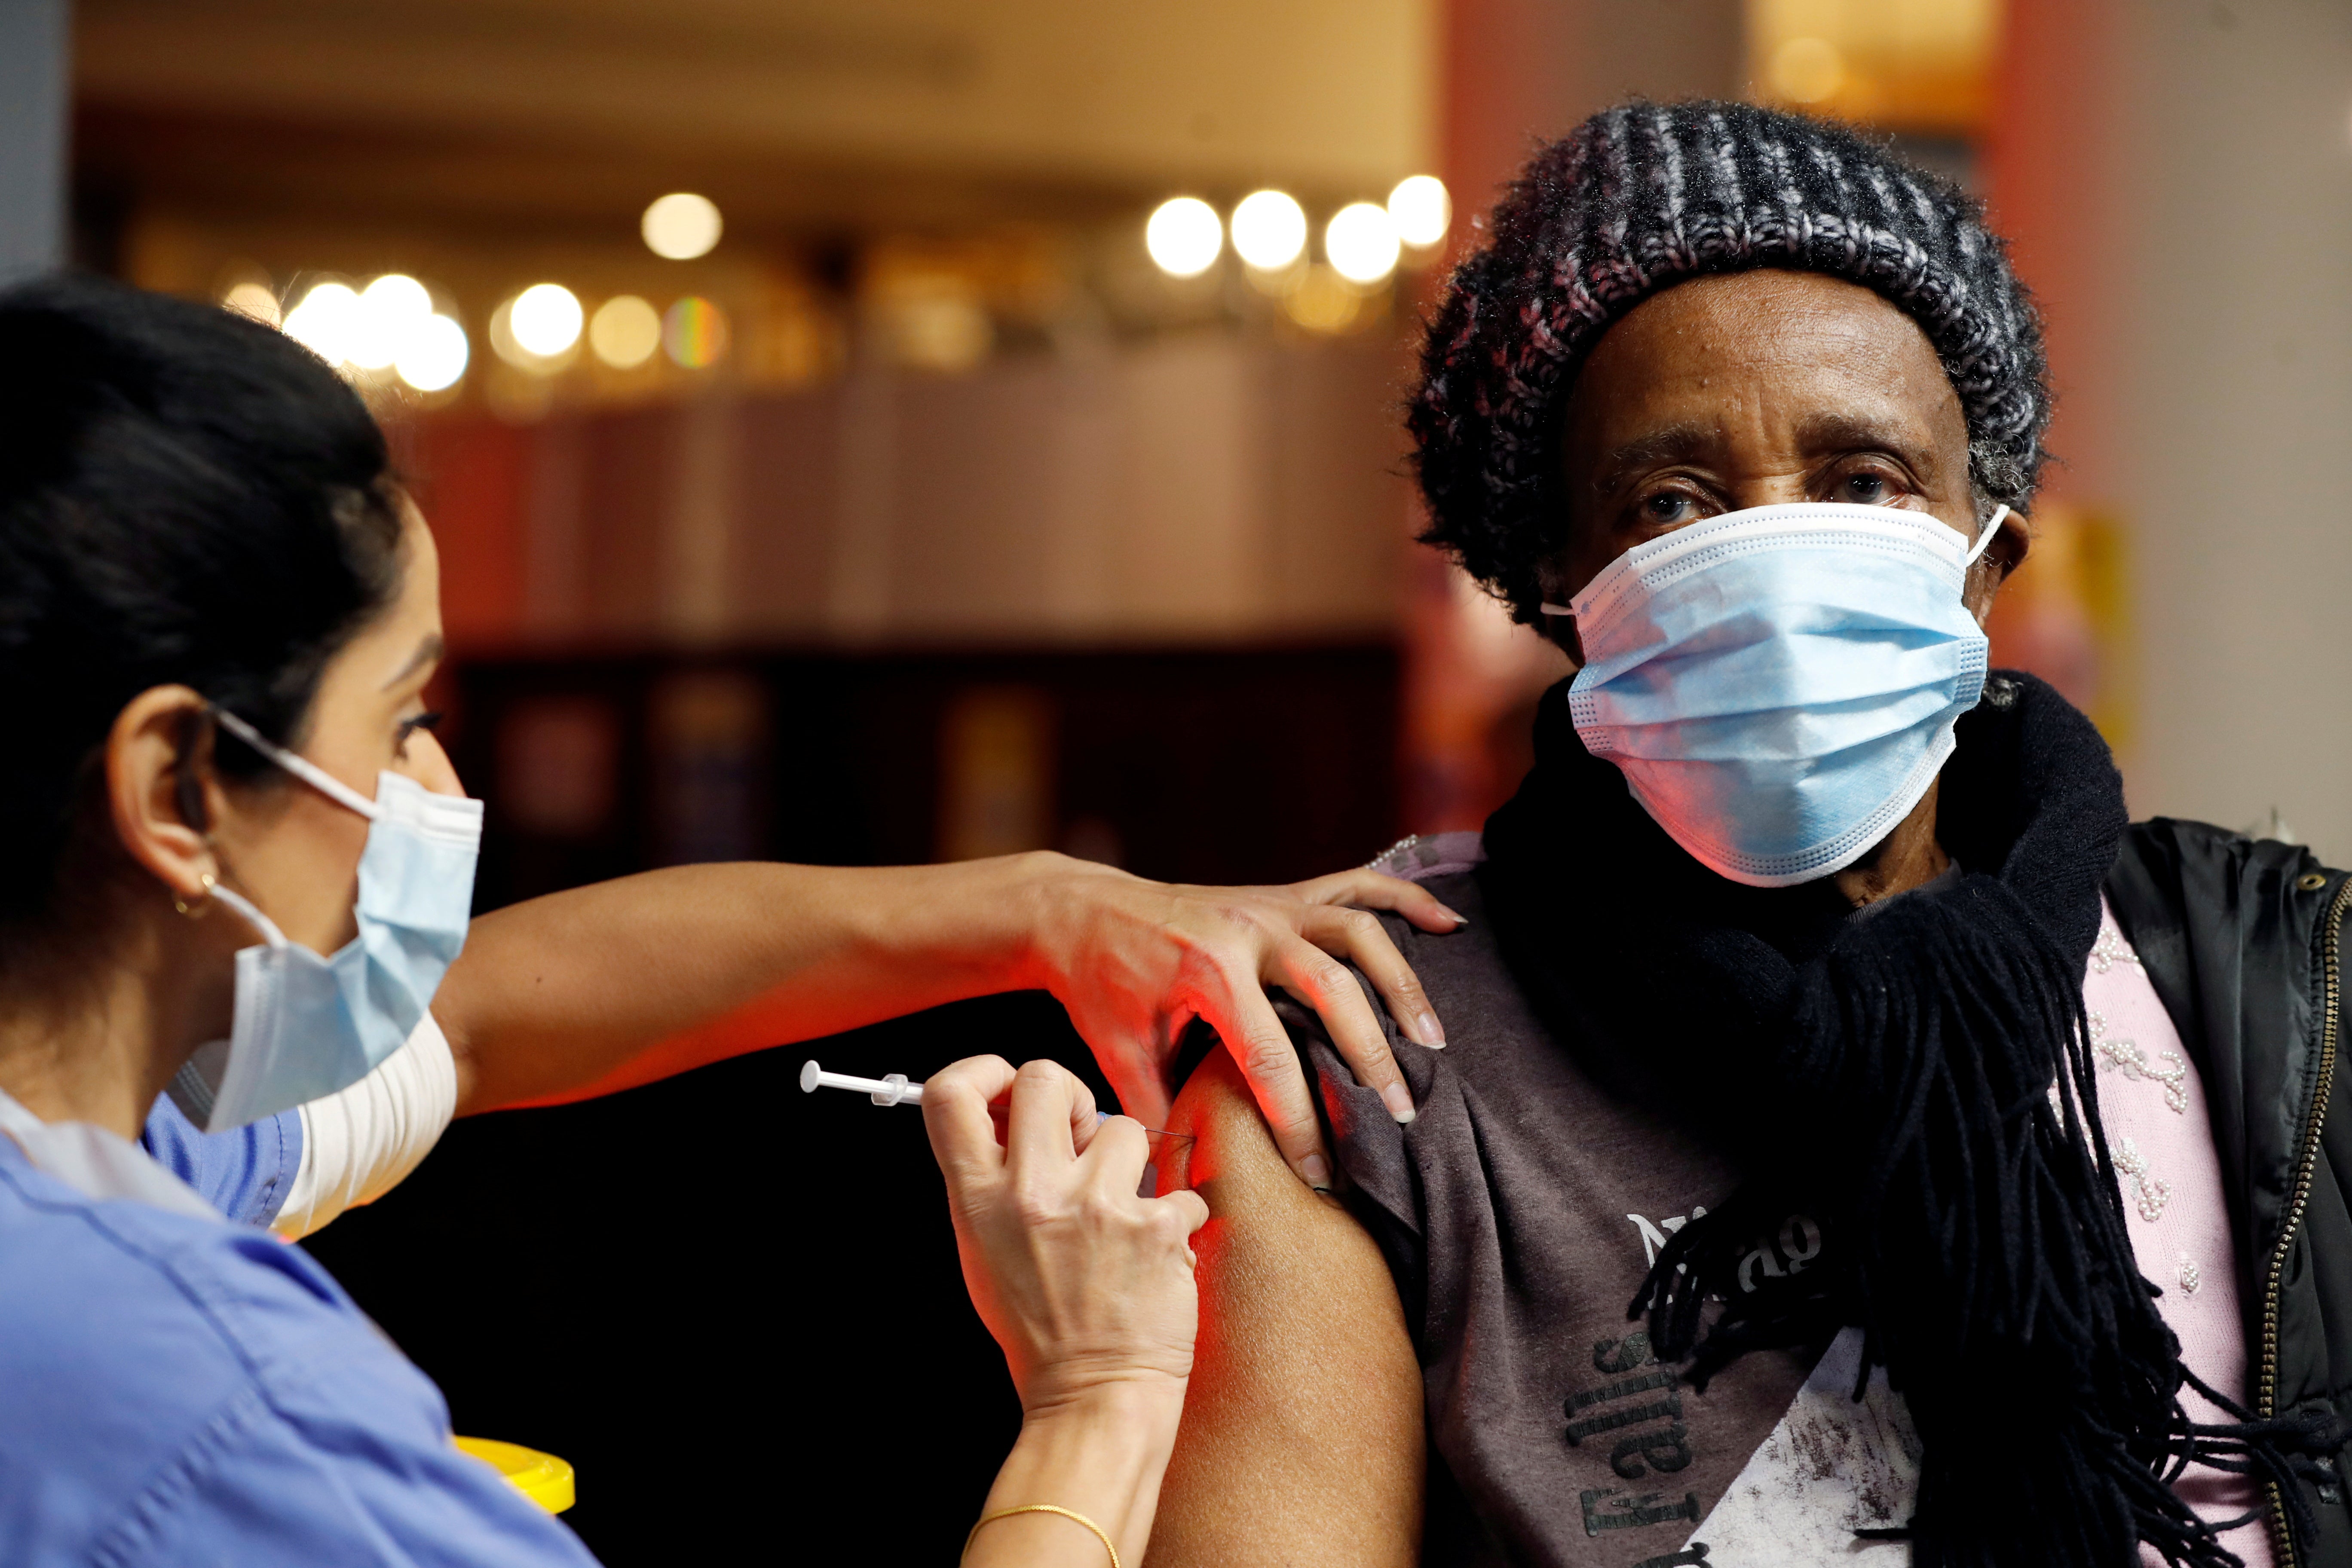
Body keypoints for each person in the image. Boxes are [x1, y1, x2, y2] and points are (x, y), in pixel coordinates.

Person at [0, 275, 1431, 1563]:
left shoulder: (134, 1138)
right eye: (404, 719)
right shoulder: (222, 1411)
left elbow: (482, 1019)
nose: (443, 788)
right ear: (175, 787)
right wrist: (1098, 1399)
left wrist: (1054, 910)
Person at [1147, 101, 2352, 1568]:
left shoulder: (2285, 981)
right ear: (1559, 582)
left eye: (1864, 484)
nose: (1780, 558)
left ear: (1986, 564)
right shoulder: (1363, 1067)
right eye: (1673, 502)